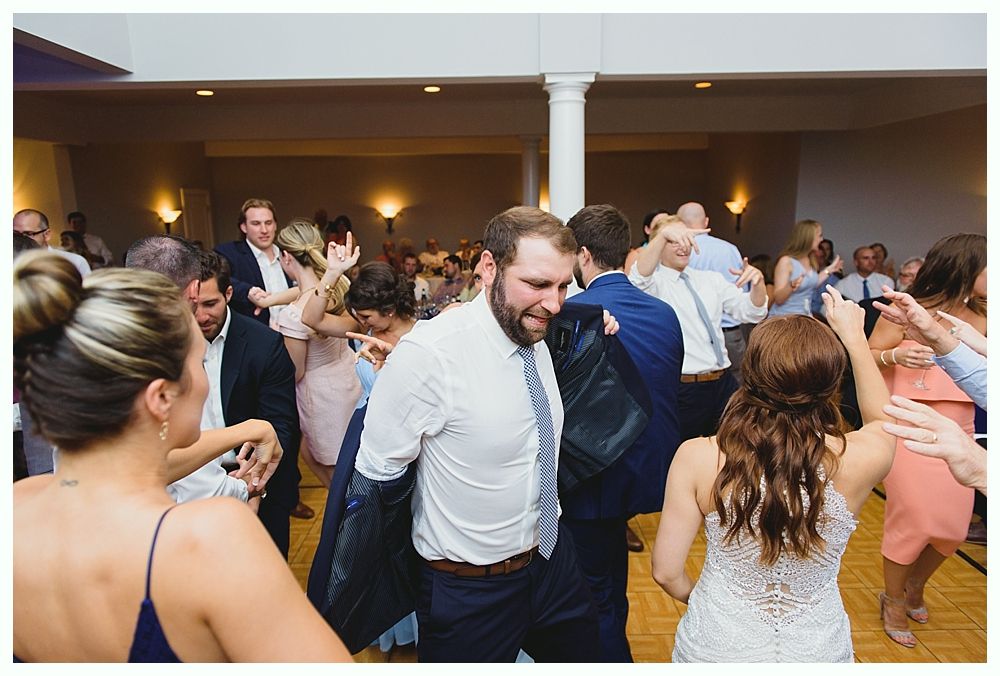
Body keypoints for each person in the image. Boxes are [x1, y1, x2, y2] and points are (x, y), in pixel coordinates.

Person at [12, 251, 351, 662]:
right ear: (161, 397)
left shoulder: (19, 504)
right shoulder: (211, 537)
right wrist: (247, 501)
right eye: (200, 362)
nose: (207, 378)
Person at [354, 206, 602, 662]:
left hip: (551, 561)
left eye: (565, 285)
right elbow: (376, 475)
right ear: (488, 267)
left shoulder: (538, 329)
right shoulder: (431, 356)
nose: (555, 303)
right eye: (538, 284)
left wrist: (596, 320)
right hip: (467, 588)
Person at [652, 286, 896, 662]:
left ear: (750, 375)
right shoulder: (860, 458)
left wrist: (709, 601)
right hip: (816, 648)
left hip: (718, 644)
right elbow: (882, 419)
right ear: (831, 383)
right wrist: (854, 340)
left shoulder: (698, 457)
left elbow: (667, 572)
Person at [563, 204, 684, 662]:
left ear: (584, 255)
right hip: (650, 467)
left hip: (592, 473)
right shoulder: (663, 313)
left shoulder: (571, 314)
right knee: (610, 576)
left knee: (593, 593)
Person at [867, 232, 986, 647]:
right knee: (913, 520)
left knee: (953, 529)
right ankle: (894, 598)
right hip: (909, 425)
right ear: (966, 268)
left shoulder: (988, 315)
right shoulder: (906, 307)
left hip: (961, 429)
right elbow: (867, 355)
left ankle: (916, 583)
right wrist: (897, 355)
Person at [193, 251, 303, 557]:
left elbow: (281, 422)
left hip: (259, 479)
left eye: (210, 304)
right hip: (191, 483)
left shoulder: (263, 344)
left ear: (228, 294)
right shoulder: (169, 343)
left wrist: (253, 483)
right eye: (193, 306)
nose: (201, 316)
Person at [629, 213, 767, 442]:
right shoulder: (654, 284)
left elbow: (752, 311)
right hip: (684, 389)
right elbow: (637, 279)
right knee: (682, 453)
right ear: (659, 244)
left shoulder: (710, 279)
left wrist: (758, 284)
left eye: (687, 239)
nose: (684, 246)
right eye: (674, 240)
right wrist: (663, 234)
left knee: (737, 446)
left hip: (723, 383)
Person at [273, 219, 361, 488]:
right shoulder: (337, 287)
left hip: (321, 398)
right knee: (350, 461)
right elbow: (307, 291)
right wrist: (269, 299)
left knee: (336, 476)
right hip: (349, 378)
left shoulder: (294, 315)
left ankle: (350, 527)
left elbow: (296, 371)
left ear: (286, 256)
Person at [678, 202, 753, 385]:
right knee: (736, 387)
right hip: (731, 332)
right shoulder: (729, 249)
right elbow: (743, 292)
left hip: (693, 336)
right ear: (706, 222)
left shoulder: (679, 251)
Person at [214, 198, 292, 327]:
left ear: (275, 225)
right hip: (259, 335)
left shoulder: (289, 255)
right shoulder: (229, 253)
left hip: (295, 335)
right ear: (243, 227)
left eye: (268, 223)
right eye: (256, 223)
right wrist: (248, 291)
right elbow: (217, 279)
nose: (264, 230)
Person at [769, 219, 842, 317]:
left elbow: (812, 282)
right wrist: (791, 286)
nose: (821, 239)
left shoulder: (810, 259)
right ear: (808, 238)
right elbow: (778, 299)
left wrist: (830, 269)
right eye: (819, 236)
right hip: (784, 318)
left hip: (805, 316)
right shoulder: (786, 261)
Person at [13, 209, 91, 278]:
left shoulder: (74, 262)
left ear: (47, 235)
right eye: (15, 234)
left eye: (28, 234)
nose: (21, 238)